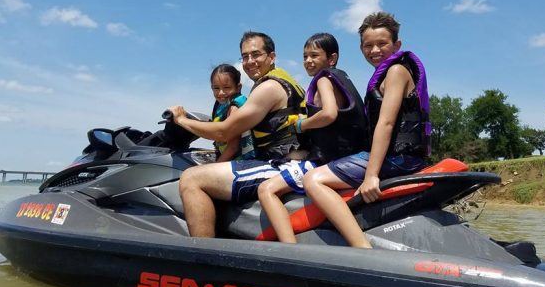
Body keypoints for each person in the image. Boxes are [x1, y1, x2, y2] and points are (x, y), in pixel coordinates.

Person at [302, 12, 430, 249]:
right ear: (361, 48)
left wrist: (371, 175)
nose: (375, 50)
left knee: (312, 180)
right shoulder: (384, 74)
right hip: (399, 157)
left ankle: (362, 248)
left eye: (382, 44)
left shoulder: (396, 71)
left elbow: (386, 123)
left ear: (397, 45)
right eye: (368, 45)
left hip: (400, 159)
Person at [167, 31, 307, 238]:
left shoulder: (269, 87)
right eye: (245, 56)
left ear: (271, 56)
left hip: (283, 163)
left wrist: (181, 119)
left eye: (256, 54)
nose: (250, 61)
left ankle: (202, 253)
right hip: (290, 158)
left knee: (191, 178)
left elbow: (224, 132)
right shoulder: (285, 80)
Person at [257, 33, 367, 243]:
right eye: (305, 56)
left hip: (331, 160)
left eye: (314, 55)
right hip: (348, 154)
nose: (308, 61)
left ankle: (290, 249)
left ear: (332, 58)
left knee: (266, 189)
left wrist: (301, 124)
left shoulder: (324, 80)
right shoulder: (342, 78)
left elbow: (329, 114)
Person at [208, 64, 255, 162]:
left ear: (238, 87)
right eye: (216, 88)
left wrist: (216, 165)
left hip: (241, 161)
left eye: (227, 87)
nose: (221, 93)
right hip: (229, 158)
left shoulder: (234, 108)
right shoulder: (220, 105)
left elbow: (233, 147)